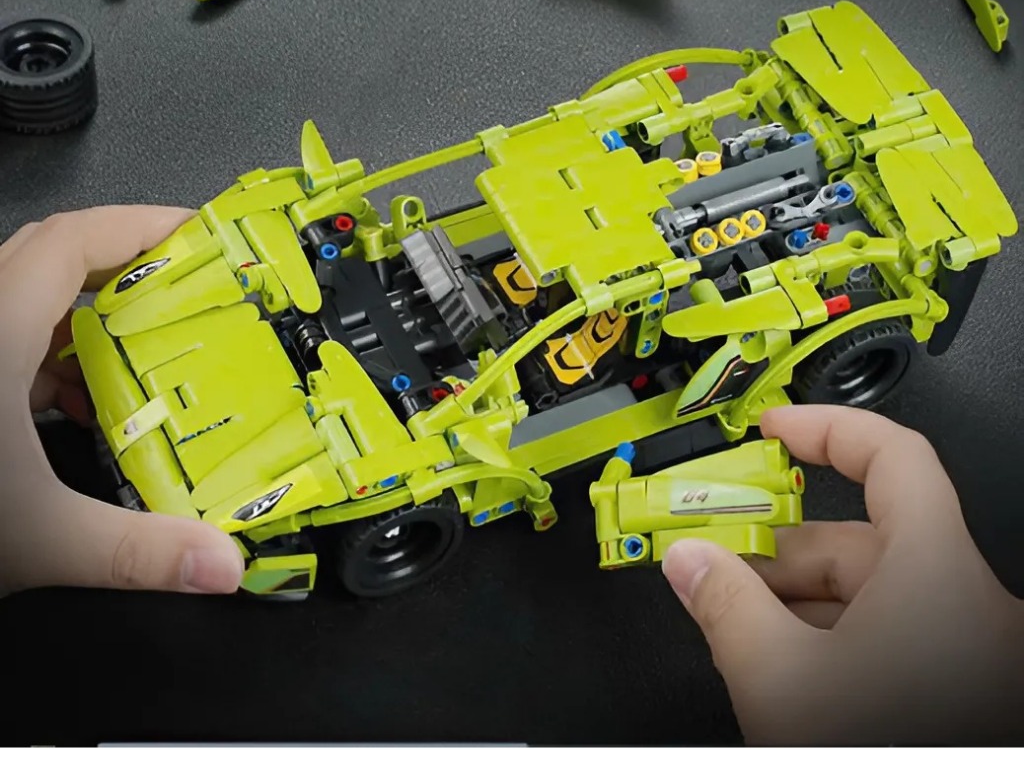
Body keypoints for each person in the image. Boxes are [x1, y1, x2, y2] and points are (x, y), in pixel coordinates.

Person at [1, 206, 1021, 744]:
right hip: (421, 350)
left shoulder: (612, 338)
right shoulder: (494, 271)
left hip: (485, 378)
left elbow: (561, 353)